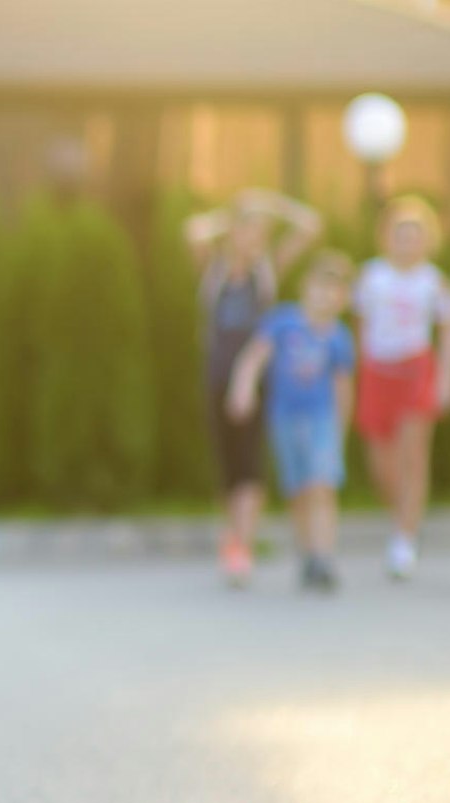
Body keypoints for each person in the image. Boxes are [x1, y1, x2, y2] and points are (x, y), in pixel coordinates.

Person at [185, 188, 323, 586]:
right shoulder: (212, 272)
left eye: (257, 231)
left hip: (258, 383)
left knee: (249, 464)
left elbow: (310, 226)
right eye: (245, 230)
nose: (251, 238)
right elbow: (192, 232)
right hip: (215, 380)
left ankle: (242, 546)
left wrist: (272, 205)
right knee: (227, 468)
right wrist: (231, 214)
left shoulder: (268, 270)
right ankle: (233, 539)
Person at [227, 251, 358, 592]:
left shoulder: (338, 337)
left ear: (342, 299)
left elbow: (343, 386)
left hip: (321, 420)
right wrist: (243, 387)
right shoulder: (283, 322)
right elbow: (255, 356)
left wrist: (340, 430)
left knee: (321, 486)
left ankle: (323, 556)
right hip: (284, 418)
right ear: (305, 287)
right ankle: (306, 553)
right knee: (298, 490)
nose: (325, 296)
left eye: (335, 290)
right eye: (320, 287)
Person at [353, 196, 450, 580]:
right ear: (387, 238)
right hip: (377, 372)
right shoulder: (371, 277)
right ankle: (401, 516)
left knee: (412, 455)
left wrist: (447, 375)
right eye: (401, 234)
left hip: (416, 369)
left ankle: (405, 538)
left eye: (415, 235)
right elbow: (359, 326)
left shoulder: (432, 280)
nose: (407, 242)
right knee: (381, 463)